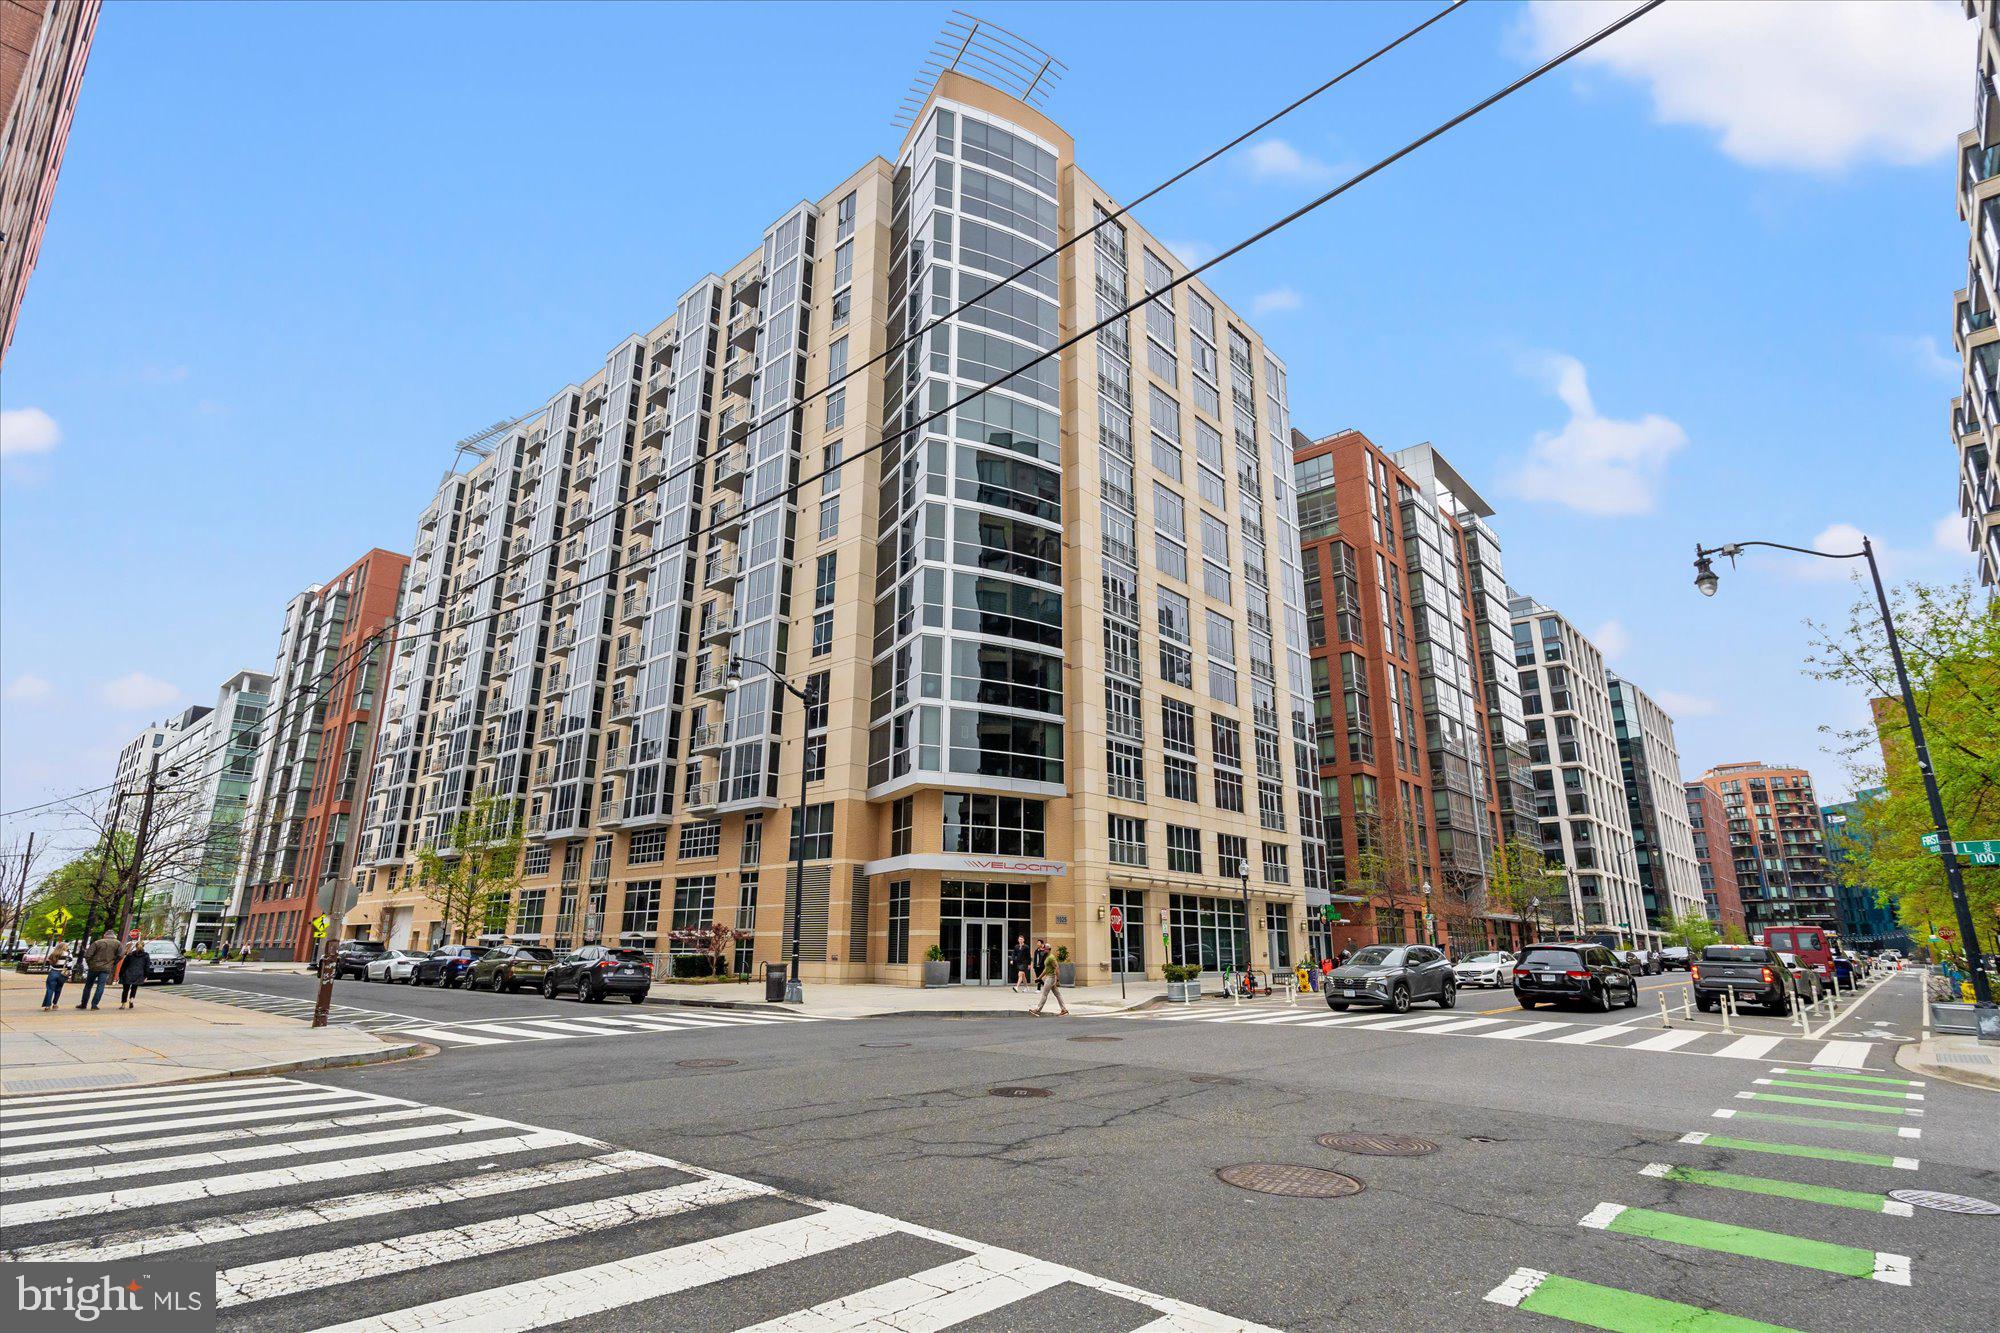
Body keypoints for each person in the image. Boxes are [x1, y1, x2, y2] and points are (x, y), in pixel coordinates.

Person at [77, 930, 119, 1010]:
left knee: (88, 986)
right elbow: (120, 955)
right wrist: (113, 963)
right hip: (106, 968)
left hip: (94, 967)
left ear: (105, 935)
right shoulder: (118, 944)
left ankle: (84, 1004)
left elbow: (88, 955)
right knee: (100, 986)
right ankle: (94, 1005)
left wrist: (90, 964)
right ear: (113, 936)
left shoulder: (97, 942)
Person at [1029, 937, 1069, 1016]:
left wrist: (1057, 980)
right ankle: (1064, 1010)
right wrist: (1039, 978)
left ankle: (1038, 1010)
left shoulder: (1051, 957)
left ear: (1048, 949)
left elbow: (1057, 967)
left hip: (1051, 978)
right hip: (1049, 977)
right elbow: (1045, 970)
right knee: (1058, 994)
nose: (1043, 951)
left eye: (1045, 949)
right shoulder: (1047, 957)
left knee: (1044, 994)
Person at [116, 939, 151, 1009]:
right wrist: (146, 975)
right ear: (143, 946)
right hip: (139, 974)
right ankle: (131, 1000)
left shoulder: (130, 955)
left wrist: (120, 975)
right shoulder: (146, 956)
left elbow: (124, 966)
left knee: (125, 989)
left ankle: (123, 1004)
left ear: (135, 946)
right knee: (134, 988)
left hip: (128, 973)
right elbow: (147, 966)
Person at [40, 940, 72, 1008]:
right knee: (58, 989)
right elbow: (69, 966)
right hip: (62, 973)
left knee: (50, 989)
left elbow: (49, 963)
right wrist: (69, 975)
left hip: (53, 972)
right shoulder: (68, 954)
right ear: (65, 947)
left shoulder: (53, 954)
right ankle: (55, 1004)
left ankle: (47, 1005)